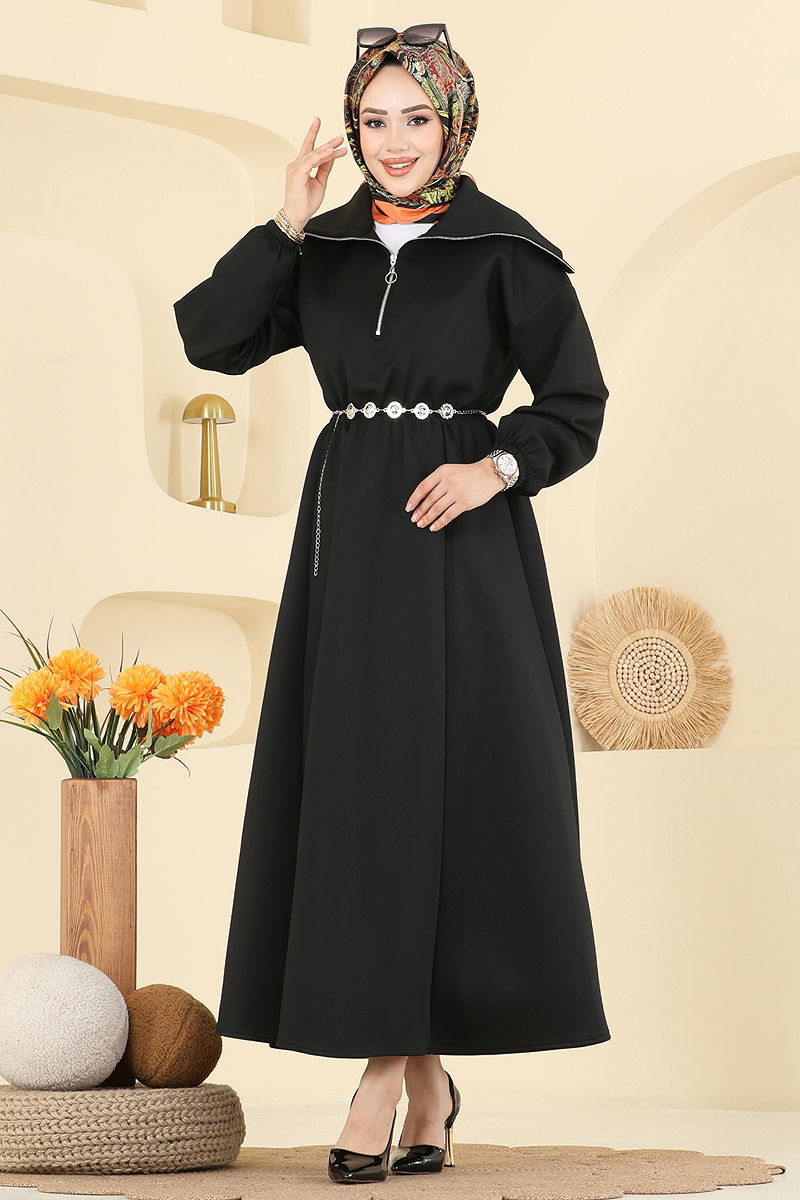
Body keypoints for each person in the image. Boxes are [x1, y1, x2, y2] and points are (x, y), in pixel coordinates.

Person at [173, 23, 611, 1186]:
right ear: (352, 130)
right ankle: (423, 1082)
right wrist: (284, 219)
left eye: (415, 117)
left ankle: (382, 1077)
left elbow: (575, 401)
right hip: (349, 550)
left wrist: (495, 468)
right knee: (365, 792)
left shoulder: (504, 249)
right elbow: (211, 339)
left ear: (452, 121)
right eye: (374, 120)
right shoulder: (318, 248)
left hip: (464, 548)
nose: (395, 140)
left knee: (447, 787)